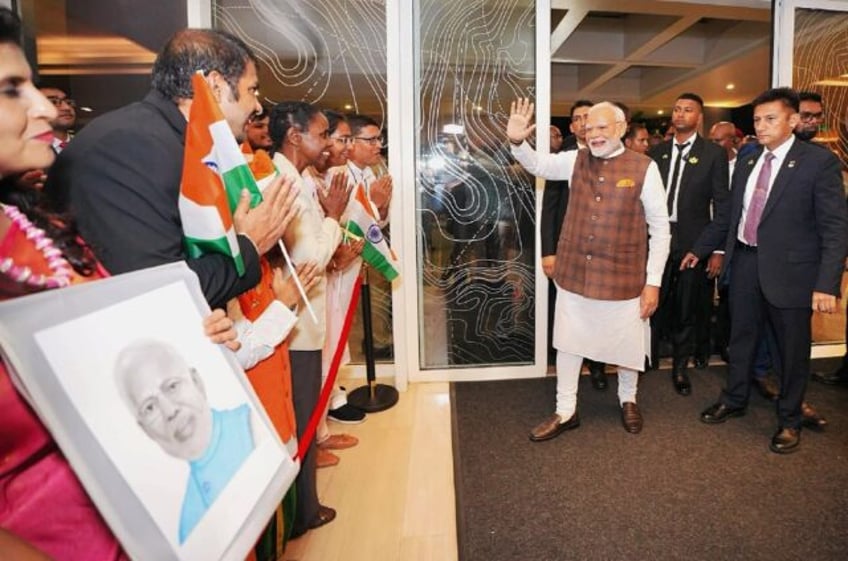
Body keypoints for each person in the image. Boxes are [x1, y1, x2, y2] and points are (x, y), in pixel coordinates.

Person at [0, 10, 239, 558]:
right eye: (12, 90)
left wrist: (192, 338)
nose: (43, 107)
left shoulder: (38, 225)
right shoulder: (132, 150)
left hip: (147, 513)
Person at [45, 27, 298, 310]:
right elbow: (156, 293)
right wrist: (249, 243)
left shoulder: (174, 143)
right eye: (252, 90)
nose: (258, 106)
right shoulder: (131, 147)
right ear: (215, 87)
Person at [507, 98, 671, 439]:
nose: (593, 133)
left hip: (625, 277)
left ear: (622, 128)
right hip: (575, 276)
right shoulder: (574, 160)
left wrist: (652, 282)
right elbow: (538, 164)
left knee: (627, 344)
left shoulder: (644, 167)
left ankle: (628, 399)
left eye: (602, 127)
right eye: (589, 127)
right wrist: (517, 142)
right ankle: (566, 410)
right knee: (569, 343)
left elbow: (660, 228)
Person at [700, 87, 848, 454]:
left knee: (791, 351)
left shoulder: (819, 162)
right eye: (757, 120)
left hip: (793, 274)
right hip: (747, 263)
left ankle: (790, 419)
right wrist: (701, 248)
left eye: (770, 119)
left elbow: (835, 227)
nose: (761, 127)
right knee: (742, 339)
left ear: (793, 121)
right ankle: (734, 399)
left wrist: (827, 284)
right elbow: (733, 215)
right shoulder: (749, 160)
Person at [268, 100, 350, 537]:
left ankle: (306, 507)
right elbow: (310, 261)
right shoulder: (283, 183)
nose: (326, 144)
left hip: (305, 317)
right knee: (300, 419)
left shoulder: (297, 178)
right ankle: (302, 514)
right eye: (321, 134)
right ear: (295, 136)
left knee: (305, 411)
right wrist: (334, 217)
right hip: (295, 321)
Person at [115, 340, 257, 544]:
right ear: (145, 430)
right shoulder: (189, 525)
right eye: (149, 408)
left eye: (172, 386)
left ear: (196, 382)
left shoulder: (254, 428)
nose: (170, 411)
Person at [648, 93, 730, 396]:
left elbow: (723, 207)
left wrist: (713, 249)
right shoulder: (657, 153)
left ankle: (681, 367)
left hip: (694, 242)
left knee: (686, 307)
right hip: (656, 238)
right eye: (677, 109)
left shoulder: (713, 154)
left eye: (688, 110)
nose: (680, 113)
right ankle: (648, 358)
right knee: (652, 303)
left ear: (699, 117)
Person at [39, 86, 76, 153]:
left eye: (68, 102)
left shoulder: (85, 145)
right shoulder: (27, 151)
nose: (67, 107)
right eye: (53, 102)